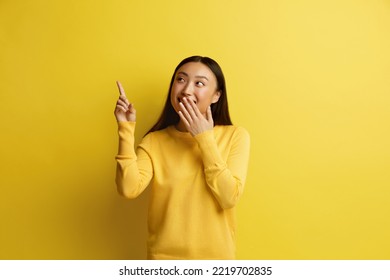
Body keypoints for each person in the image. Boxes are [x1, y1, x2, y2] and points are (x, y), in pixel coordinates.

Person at [114, 56, 250, 260]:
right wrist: (125, 128)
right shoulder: (155, 141)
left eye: (199, 83)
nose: (186, 90)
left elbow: (228, 197)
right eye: (181, 80)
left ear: (216, 96)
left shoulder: (235, 136)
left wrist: (204, 138)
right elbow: (128, 188)